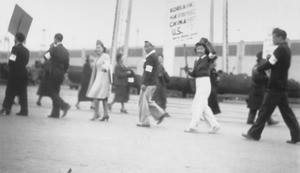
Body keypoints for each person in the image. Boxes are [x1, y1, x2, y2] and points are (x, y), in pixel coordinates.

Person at [242, 28, 300, 144]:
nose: (272, 39)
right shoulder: (286, 49)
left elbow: (271, 64)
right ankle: (297, 135)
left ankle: (254, 133)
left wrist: (259, 68)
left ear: (280, 37)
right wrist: (269, 59)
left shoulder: (280, 49)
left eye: (274, 37)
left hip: (275, 86)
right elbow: (276, 64)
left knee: (264, 110)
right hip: (281, 85)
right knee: (287, 113)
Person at [184, 38, 221, 133]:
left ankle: (193, 126)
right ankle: (215, 125)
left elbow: (214, 52)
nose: (199, 50)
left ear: (205, 50)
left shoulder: (207, 58)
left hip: (205, 82)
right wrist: (187, 71)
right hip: (199, 82)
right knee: (204, 107)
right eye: (198, 49)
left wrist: (208, 43)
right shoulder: (197, 60)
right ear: (195, 50)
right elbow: (194, 74)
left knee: (197, 105)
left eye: (201, 48)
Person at [136, 41, 167, 128]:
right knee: (147, 101)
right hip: (153, 83)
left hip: (148, 83)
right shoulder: (153, 56)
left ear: (153, 47)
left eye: (147, 46)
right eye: (144, 47)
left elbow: (148, 71)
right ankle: (160, 114)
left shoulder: (150, 57)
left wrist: (144, 83)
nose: (145, 48)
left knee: (143, 102)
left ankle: (145, 122)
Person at [246, 51, 279, 125]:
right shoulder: (256, 67)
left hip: (260, 90)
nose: (265, 61)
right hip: (256, 90)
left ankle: (267, 120)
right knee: (256, 107)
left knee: (261, 107)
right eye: (263, 59)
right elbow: (256, 78)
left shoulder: (263, 67)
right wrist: (267, 77)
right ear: (260, 59)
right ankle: (251, 120)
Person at [0, 32, 29, 116]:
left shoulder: (15, 48)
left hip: (15, 74)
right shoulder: (26, 50)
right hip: (24, 73)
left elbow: (12, 60)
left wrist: (10, 68)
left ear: (16, 38)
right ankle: (24, 111)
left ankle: (6, 110)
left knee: (10, 91)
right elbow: (26, 62)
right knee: (23, 93)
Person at [44, 33, 70, 118]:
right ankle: (55, 113)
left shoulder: (54, 49)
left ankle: (64, 105)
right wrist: (62, 72)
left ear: (55, 39)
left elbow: (45, 57)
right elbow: (67, 65)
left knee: (51, 92)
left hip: (54, 73)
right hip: (61, 74)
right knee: (56, 93)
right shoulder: (66, 51)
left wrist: (50, 48)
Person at [86, 40, 111, 121]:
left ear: (103, 48)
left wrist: (105, 67)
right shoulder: (97, 58)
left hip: (103, 79)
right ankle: (105, 114)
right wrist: (90, 61)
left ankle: (97, 114)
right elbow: (94, 68)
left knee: (96, 94)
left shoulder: (105, 56)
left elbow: (107, 63)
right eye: (97, 48)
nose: (98, 49)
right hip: (98, 78)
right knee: (103, 97)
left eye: (99, 47)